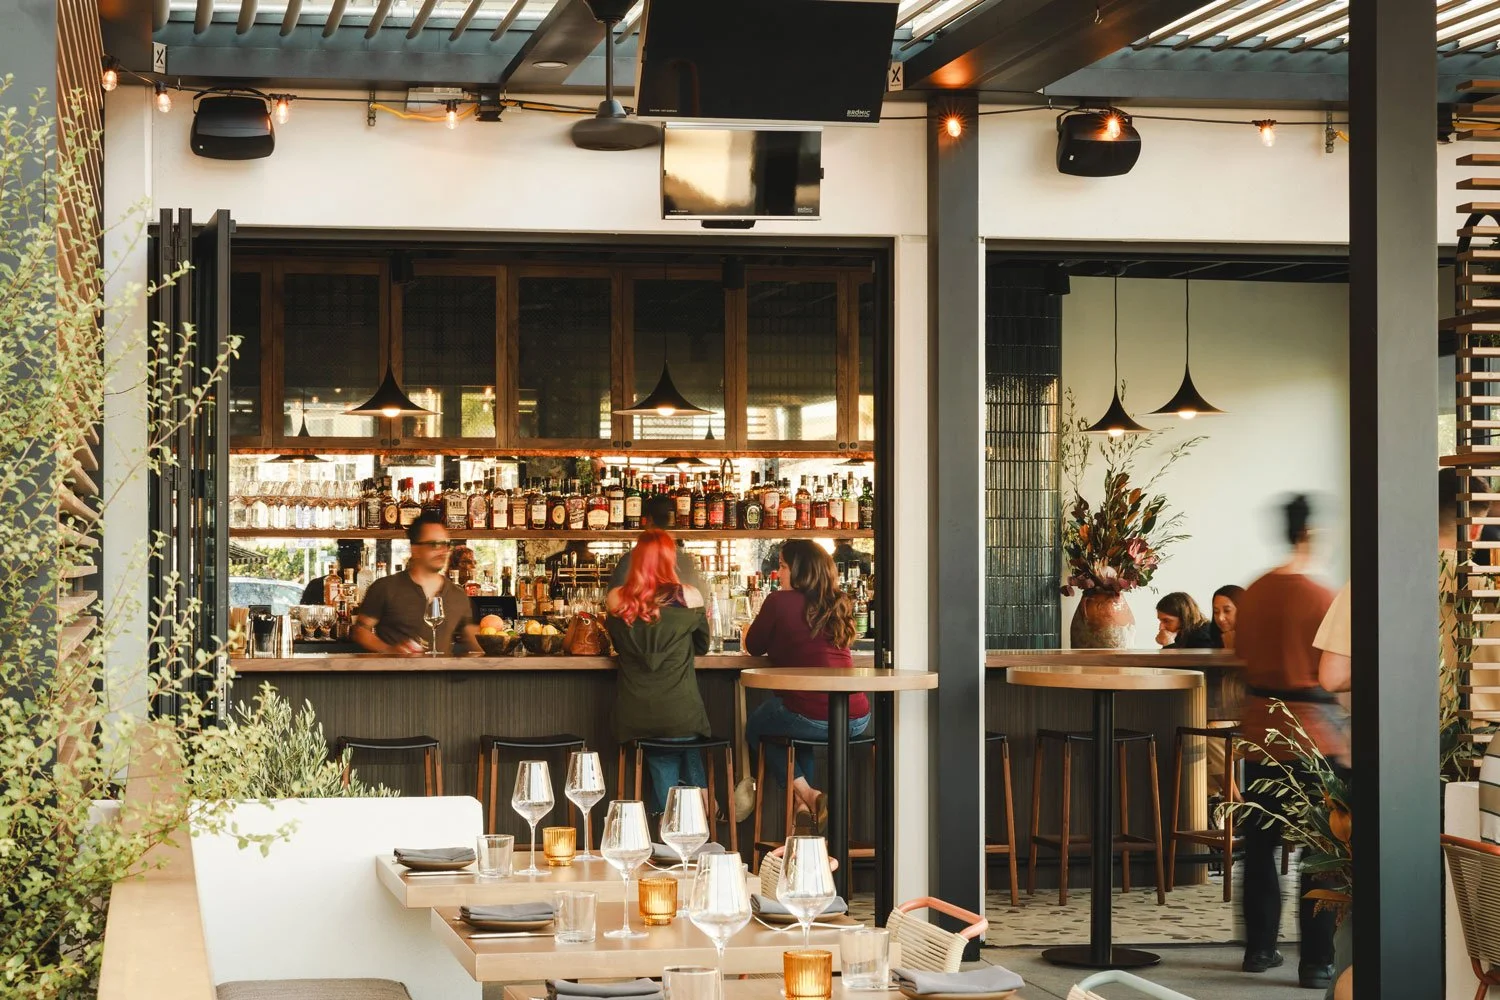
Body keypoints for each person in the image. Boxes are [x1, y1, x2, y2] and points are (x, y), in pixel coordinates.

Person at [1235, 494, 1344, 990]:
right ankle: (1316, 962)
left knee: (1258, 847)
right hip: (1315, 734)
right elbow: (1339, 670)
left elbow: (1240, 655)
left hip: (1260, 731)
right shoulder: (1325, 596)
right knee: (1320, 852)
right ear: (1312, 534)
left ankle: (1259, 950)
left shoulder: (1253, 593)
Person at [742, 539, 869, 833]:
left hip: (813, 714)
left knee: (757, 728)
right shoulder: (838, 600)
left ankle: (807, 795)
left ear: (800, 571)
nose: (779, 573)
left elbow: (753, 646)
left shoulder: (778, 601)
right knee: (795, 729)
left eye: (783, 566)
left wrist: (750, 629)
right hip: (857, 716)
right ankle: (803, 805)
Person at [604, 528, 712, 815]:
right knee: (684, 738)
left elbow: (615, 643)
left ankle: (677, 816)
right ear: (670, 559)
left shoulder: (616, 600)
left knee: (666, 748)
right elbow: (702, 645)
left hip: (635, 718)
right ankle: (696, 813)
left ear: (635, 560)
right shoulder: (690, 597)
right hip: (683, 716)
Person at [353, 516, 477, 655]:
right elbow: (360, 631)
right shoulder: (385, 587)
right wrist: (388, 650)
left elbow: (471, 635)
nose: (442, 551)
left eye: (445, 544)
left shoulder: (458, 594)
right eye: (434, 544)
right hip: (397, 675)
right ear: (415, 549)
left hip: (441, 676)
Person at [608, 494, 706, 594]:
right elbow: (701, 598)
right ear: (673, 521)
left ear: (649, 520)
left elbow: (612, 602)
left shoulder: (629, 560)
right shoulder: (685, 561)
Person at [298, 539, 364, 605]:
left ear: (338, 557)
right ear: (361, 558)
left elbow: (302, 612)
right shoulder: (367, 587)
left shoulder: (316, 584)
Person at [1212, 584, 1245, 652]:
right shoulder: (1209, 639)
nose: (1220, 618)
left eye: (1227, 611)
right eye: (1216, 612)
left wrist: (1230, 649)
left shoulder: (1259, 640)